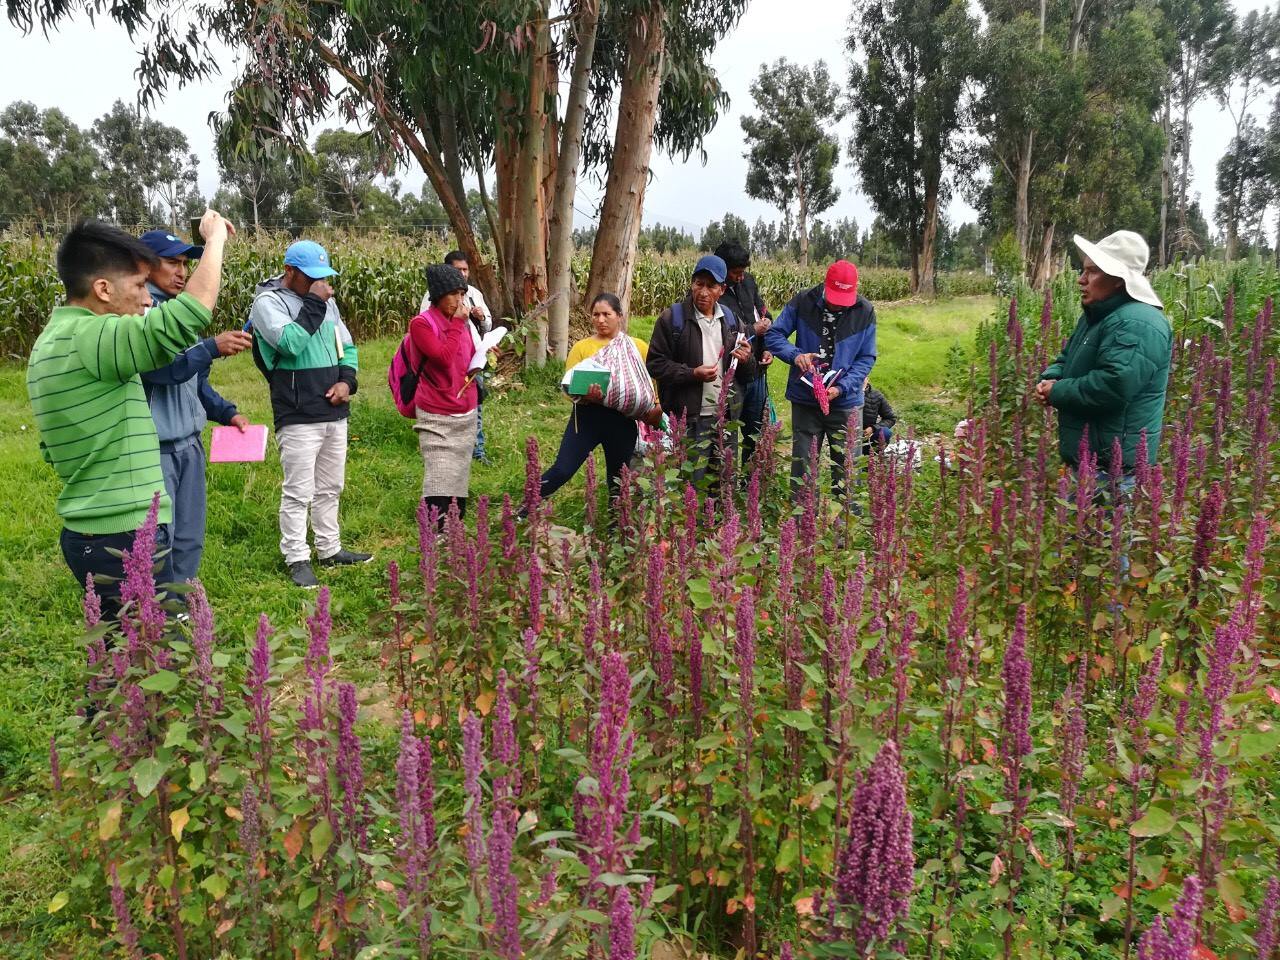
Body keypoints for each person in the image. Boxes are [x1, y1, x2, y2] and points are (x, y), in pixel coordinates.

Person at [28, 211, 235, 618]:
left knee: (126, 659)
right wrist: (215, 241)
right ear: (103, 288)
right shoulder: (92, 336)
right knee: (155, 662)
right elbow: (184, 319)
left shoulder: (51, 341)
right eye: (140, 285)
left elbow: (52, 449)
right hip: (122, 535)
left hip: (92, 531)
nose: (146, 299)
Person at [248, 240, 370, 589]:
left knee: (331, 486)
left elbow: (345, 345)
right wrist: (316, 302)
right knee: (299, 491)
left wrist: (348, 381)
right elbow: (290, 343)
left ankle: (330, 550)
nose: (319, 284)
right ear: (289, 272)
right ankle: (297, 557)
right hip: (298, 411)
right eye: (310, 278)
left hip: (334, 409)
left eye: (322, 277)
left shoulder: (326, 305)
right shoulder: (268, 304)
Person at [137, 229, 252, 586]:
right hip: (157, 449)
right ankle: (155, 609)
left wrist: (226, 412)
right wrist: (210, 347)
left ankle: (181, 600)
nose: (182, 272)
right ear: (144, 266)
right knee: (159, 535)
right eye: (172, 262)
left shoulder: (176, 313)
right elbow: (163, 371)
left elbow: (194, 381)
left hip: (190, 444)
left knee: (189, 532)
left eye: (186, 263)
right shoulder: (141, 313)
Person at [1035, 231, 1172, 490]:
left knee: (1106, 531)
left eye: (1092, 272)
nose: (1081, 280)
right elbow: (1067, 359)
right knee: (1082, 531)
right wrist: (1048, 380)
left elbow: (1113, 385)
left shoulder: (1138, 322)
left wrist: (1057, 391)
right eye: (1083, 271)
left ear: (1119, 279)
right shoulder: (1099, 318)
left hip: (1114, 475)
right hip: (1092, 465)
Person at [766, 259, 877, 499]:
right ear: (825, 286)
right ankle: (800, 529)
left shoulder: (864, 311)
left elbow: (866, 358)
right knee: (803, 468)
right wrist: (796, 356)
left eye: (843, 302)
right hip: (806, 400)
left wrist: (842, 387)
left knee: (847, 470)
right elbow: (774, 335)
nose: (838, 306)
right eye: (834, 299)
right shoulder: (803, 301)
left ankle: (847, 527)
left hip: (845, 402)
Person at [539, 293, 662, 501]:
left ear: (620, 316)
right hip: (586, 419)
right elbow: (569, 387)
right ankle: (524, 509)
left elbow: (651, 383)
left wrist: (656, 407)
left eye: (607, 314)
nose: (600, 320)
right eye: (596, 315)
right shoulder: (582, 348)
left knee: (618, 480)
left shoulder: (636, 347)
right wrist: (587, 396)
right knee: (562, 469)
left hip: (622, 422)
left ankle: (617, 528)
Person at [646, 254, 755, 483]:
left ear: (722, 290)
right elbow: (655, 364)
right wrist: (691, 374)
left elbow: (748, 373)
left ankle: (721, 521)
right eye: (699, 284)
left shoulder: (732, 321)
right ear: (692, 284)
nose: (703, 292)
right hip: (690, 419)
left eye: (711, 286)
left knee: (724, 485)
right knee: (690, 486)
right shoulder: (673, 318)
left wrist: (747, 358)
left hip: (724, 418)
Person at [410, 263, 480, 522]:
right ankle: (434, 533)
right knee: (440, 472)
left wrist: (484, 356)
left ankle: (454, 531)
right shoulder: (422, 324)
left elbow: (466, 356)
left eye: (462, 294)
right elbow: (442, 358)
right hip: (436, 410)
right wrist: (457, 326)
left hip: (465, 408)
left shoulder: (462, 324)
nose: (460, 301)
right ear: (439, 295)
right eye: (454, 294)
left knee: (459, 472)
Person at [421, 250, 493, 464]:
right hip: (449, 361)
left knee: (475, 403)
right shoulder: (433, 298)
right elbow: (431, 327)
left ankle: (477, 450)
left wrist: (481, 318)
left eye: (465, 269)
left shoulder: (474, 293)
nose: (462, 274)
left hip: (473, 358)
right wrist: (457, 319)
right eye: (457, 269)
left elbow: (487, 324)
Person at [714, 240, 773, 466]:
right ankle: (727, 489)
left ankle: (751, 486)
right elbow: (719, 332)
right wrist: (751, 330)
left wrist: (766, 346)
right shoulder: (713, 291)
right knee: (728, 434)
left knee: (755, 432)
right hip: (731, 376)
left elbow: (762, 313)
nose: (740, 277)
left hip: (756, 371)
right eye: (736, 273)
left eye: (743, 272)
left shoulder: (748, 283)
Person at [860, 377, 897, 453]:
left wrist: (873, 428)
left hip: (867, 437)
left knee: (885, 433)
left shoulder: (876, 396)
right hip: (848, 436)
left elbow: (890, 418)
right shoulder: (845, 395)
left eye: (863, 377)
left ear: (867, 379)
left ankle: (869, 456)